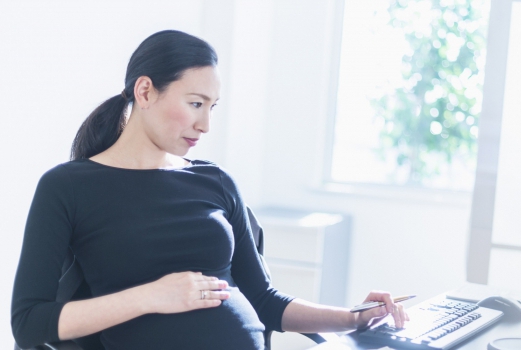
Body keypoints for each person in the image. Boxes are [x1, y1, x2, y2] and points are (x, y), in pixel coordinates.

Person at [11, 30, 408, 350]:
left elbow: (265, 301)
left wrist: (354, 317)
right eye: (196, 103)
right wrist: (151, 296)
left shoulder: (214, 180)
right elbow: (28, 323)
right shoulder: (67, 187)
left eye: (212, 107)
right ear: (145, 91)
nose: (205, 125)